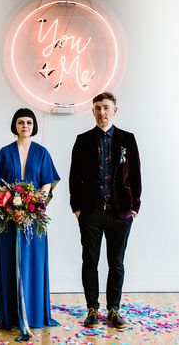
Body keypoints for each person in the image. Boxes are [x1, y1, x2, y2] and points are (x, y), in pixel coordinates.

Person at [69, 92, 141, 329]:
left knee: (116, 263)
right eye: (98, 108)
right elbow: (74, 177)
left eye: (106, 108)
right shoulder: (83, 140)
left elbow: (136, 175)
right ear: (92, 111)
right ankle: (92, 309)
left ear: (114, 110)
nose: (102, 112)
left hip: (120, 213)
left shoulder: (127, 140)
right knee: (90, 261)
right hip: (91, 212)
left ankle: (113, 310)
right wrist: (77, 208)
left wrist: (135, 207)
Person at [0, 108, 60, 341]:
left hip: (33, 219)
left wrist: (33, 201)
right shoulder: (4, 152)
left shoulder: (42, 153)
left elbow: (47, 184)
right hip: (8, 219)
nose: (25, 125)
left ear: (34, 126)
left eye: (29, 122)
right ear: (15, 125)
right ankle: (10, 316)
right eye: (20, 122)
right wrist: (8, 201)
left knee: (33, 264)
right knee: (10, 262)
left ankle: (34, 314)